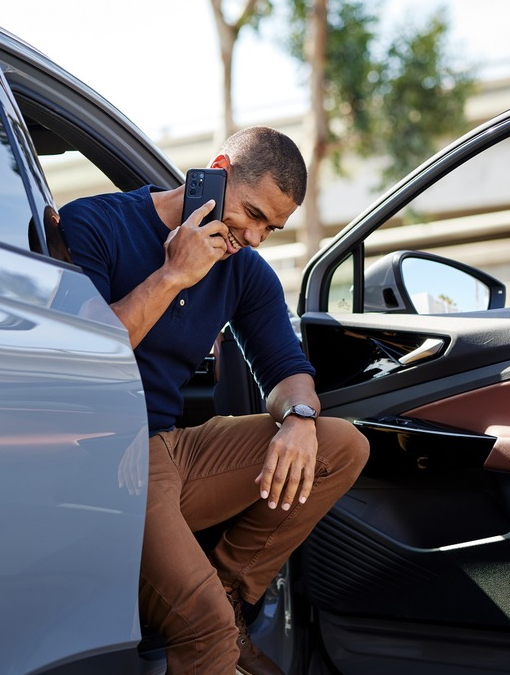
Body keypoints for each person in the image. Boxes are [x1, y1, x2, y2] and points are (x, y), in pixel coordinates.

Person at [58, 126, 369, 675]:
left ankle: (228, 591)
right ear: (218, 169)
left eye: (271, 228)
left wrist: (298, 418)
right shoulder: (97, 222)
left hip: (168, 449)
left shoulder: (244, 271)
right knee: (204, 629)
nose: (253, 236)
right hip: (100, 456)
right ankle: (215, 623)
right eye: (251, 214)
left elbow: (287, 369)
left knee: (339, 445)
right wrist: (174, 274)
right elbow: (87, 356)